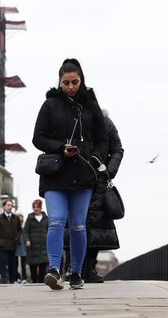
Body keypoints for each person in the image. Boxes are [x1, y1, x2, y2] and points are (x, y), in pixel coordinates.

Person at [32, 58, 108, 291]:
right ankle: (54, 269)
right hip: (56, 173)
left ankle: (76, 272)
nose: (71, 86)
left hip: (84, 173)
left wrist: (95, 159)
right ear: (59, 82)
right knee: (55, 220)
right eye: (66, 82)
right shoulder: (49, 105)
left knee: (77, 225)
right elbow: (38, 138)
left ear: (81, 79)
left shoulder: (91, 105)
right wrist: (60, 147)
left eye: (75, 81)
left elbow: (103, 139)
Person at [81, 110, 124, 283]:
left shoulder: (106, 123)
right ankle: (75, 266)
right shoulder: (70, 119)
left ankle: (88, 267)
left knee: (95, 224)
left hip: (98, 179)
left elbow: (117, 149)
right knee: (76, 222)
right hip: (74, 177)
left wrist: (109, 171)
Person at [0, 199, 23, 284]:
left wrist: (17, 238)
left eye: (11, 205)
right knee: (2, 263)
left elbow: (20, 230)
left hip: (12, 245)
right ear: (4, 206)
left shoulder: (16, 218)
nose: (10, 207)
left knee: (12, 263)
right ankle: (3, 279)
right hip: (2, 245)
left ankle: (12, 280)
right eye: (8, 205)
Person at [24, 199, 49, 283]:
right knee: (33, 268)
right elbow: (26, 231)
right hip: (32, 247)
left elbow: (49, 231)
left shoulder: (46, 218)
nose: (35, 209)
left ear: (41, 207)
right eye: (34, 207)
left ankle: (41, 283)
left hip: (43, 247)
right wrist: (27, 240)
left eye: (37, 207)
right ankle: (34, 282)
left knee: (43, 268)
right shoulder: (30, 218)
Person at [16, 213, 28, 282]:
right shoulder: (14, 227)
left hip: (23, 247)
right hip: (16, 247)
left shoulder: (24, 227)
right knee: (16, 264)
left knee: (23, 265)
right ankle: (16, 278)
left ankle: (24, 278)